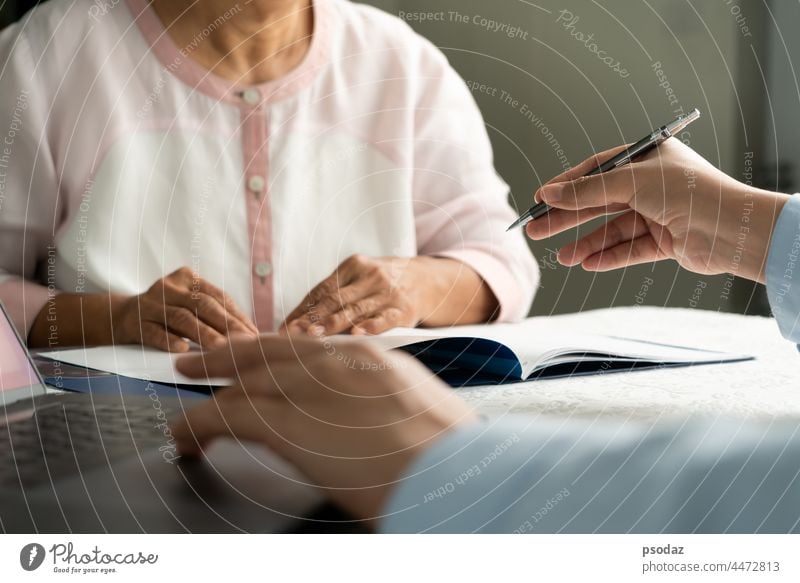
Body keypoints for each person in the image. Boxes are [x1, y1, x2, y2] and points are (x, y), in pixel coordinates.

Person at [170, 139, 800, 532]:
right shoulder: (77, 39)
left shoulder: (400, 57)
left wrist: (457, 474)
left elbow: (503, 262)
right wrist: (766, 234)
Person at [0, 0, 537, 352]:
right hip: (119, 444)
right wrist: (111, 319)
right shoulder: (45, 57)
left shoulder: (403, 64)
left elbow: (503, 262)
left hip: (365, 440)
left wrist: (413, 285)